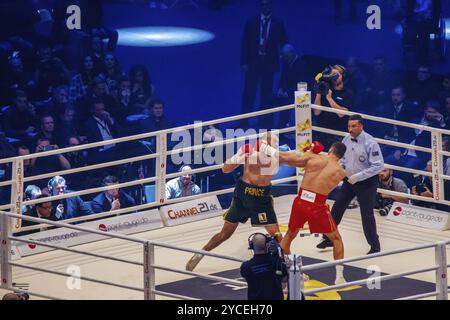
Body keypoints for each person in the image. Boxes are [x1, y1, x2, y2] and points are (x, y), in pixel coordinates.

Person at [185, 133, 282, 271]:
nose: (276, 144)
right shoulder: (259, 154)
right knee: (276, 235)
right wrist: (240, 155)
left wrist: (242, 154)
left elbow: (226, 169)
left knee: (225, 233)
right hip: (257, 199)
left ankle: (201, 253)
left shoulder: (266, 155)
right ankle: (290, 268)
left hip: (243, 194)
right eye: (274, 142)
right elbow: (225, 169)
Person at [258, 139, 348, 284]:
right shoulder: (341, 172)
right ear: (342, 156)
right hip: (317, 206)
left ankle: (292, 273)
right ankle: (339, 277)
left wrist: (267, 149)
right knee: (336, 239)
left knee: (288, 236)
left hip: (300, 202)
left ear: (330, 149)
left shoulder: (314, 158)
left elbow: (287, 158)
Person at [317, 114, 384, 254]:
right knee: (337, 209)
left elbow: (378, 166)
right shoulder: (346, 139)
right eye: (349, 126)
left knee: (367, 214)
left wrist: (359, 176)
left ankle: (375, 246)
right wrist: (340, 170)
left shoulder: (370, 142)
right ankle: (328, 238)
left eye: (353, 126)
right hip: (349, 181)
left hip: (366, 183)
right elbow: (342, 159)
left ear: (361, 126)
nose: (350, 129)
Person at [240, 0, 288, 128]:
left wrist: (284, 59)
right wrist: (244, 62)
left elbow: (284, 42)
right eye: (263, 4)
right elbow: (245, 43)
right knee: (249, 93)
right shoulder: (251, 22)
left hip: (269, 65)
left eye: (268, 4)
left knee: (266, 95)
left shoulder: (278, 23)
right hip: (253, 63)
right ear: (260, 6)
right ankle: (243, 122)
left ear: (271, 5)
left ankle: (265, 122)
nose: (265, 7)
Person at [313, 65, 352, 149]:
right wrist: (319, 92)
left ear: (342, 77)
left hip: (337, 135)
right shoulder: (325, 88)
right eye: (332, 74)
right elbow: (316, 112)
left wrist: (329, 99)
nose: (334, 77)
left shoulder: (348, 93)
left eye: (336, 75)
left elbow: (342, 114)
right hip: (321, 133)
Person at [240, 233, 287, 300]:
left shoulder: (246, 266)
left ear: (251, 245)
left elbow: (246, 275)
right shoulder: (276, 263)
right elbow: (285, 278)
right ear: (267, 245)